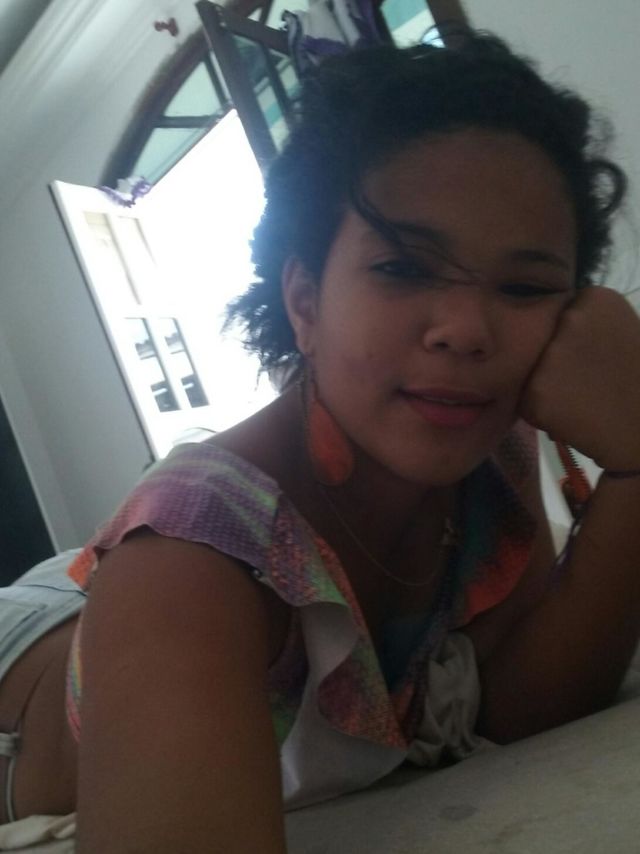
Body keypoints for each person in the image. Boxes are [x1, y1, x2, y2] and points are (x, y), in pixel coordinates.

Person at [1, 29, 640, 854]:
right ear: (304, 300)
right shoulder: (190, 558)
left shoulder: (493, 457)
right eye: (404, 268)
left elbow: (521, 707)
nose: (466, 330)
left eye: (524, 286)